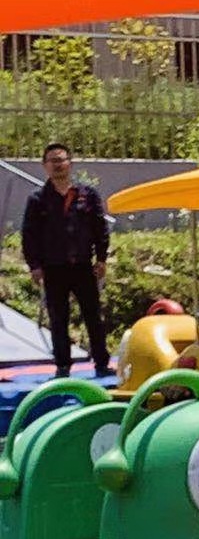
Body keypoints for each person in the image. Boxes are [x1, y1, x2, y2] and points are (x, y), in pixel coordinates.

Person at [21, 142, 111, 377]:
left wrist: (101, 258)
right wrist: (34, 266)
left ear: (70, 163)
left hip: (82, 265)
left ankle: (102, 362)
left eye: (61, 160)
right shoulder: (38, 199)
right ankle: (62, 366)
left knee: (93, 315)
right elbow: (29, 234)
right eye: (53, 161)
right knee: (58, 318)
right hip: (53, 268)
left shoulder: (87, 195)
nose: (58, 165)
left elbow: (100, 228)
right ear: (45, 166)